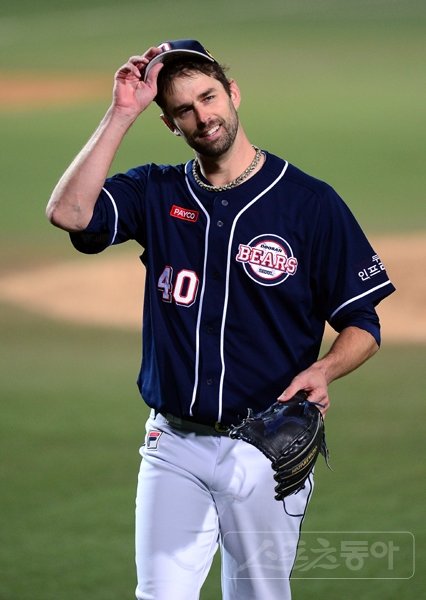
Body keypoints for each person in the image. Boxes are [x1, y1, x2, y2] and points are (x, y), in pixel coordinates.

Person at [46, 39, 395, 600]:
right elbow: (69, 213)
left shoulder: (309, 203)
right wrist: (121, 113)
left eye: (209, 97)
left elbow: (363, 324)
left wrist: (325, 370)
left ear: (233, 93)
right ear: (169, 123)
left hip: (265, 446)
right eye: (183, 109)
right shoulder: (156, 190)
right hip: (172, 445)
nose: (202, 116)